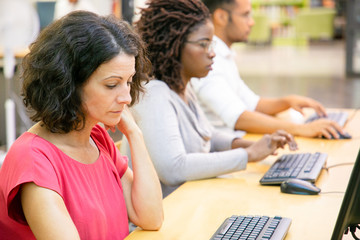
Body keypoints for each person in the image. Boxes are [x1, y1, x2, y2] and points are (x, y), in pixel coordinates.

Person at [0, 11, 163, 239]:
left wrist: (134, 133)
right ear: (68, 83)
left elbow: (151, 217)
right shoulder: (33, 159)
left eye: (128, 82)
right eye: (112, 85)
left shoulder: (96, 137)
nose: (126, 97)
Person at [122, 0, 297, 198]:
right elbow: (174, 169)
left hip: (192, 205)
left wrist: (254, 146)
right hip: (167, 220)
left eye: (211, 44)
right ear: (175, 44)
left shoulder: (183, 88)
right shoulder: (154, 94)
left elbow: (208, 137)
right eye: (203, 44)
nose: (212, 53)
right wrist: (248, 155)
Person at [190, 0, 345, 139]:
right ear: (221, 17)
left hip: (241, 141)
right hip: (229, 151)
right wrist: (301, 129)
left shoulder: (225, 55)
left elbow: (252, 103)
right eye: (245, 15)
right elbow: (238, 118)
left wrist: (287, 101)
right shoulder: (208, 60)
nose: (251, 22)